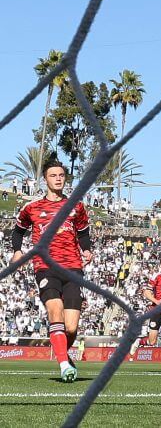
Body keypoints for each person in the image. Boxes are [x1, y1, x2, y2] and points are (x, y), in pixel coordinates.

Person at [10, 161, 92, 383]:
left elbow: (84, 233)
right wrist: (17, 251)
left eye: (61, 175)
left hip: (73, 268)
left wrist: (86, 249)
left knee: (71, 327)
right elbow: (17, 232)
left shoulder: (77, 206)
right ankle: (64, 365)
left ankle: (64, 354)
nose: (58, 178)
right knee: (54, 309)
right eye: (53, 175)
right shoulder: (32, 208)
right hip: (45, 267)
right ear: (45, 179)